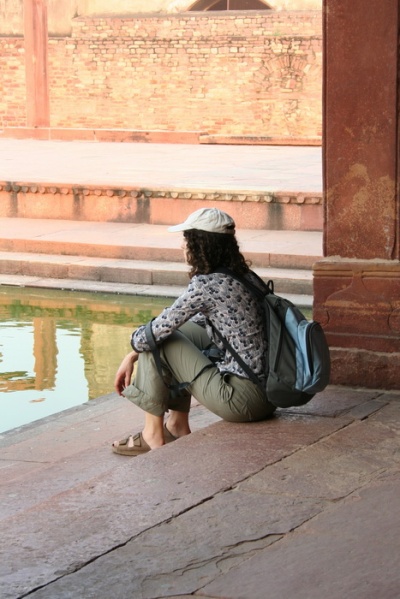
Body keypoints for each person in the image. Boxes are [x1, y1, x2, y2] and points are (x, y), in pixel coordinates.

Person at [113, 207, 275, 455]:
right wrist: (134, 354)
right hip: (269, 395)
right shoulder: (244, 275)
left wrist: (132, 353)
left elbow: (150, 336)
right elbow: (193, 323)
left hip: (242, 401)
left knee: (157, 340)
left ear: (201, 244)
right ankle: (177, 425)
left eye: (186, 239)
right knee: (176, 332)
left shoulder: (207, 284)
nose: (182, 245)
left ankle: (153, 434)